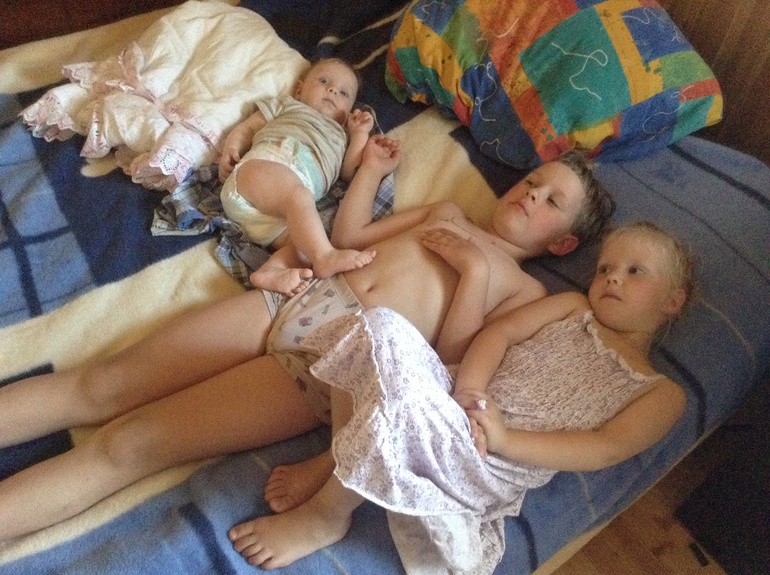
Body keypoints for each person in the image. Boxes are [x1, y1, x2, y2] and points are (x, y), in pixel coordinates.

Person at [0, 135, 613, 545]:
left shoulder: (524, 293)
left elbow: (449, 361)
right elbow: (350, 237)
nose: (531, 194)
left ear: (562, 243)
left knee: (130, 445)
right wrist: (371, 171)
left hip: (329, 365)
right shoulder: (447, 213)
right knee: (100, 384)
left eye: (551, 201)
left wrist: (474, 273)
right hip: (294, 297)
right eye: (533, 181)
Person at [226, 221, 695, 572]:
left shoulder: (659, 392)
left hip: (489, 459)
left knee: (403, 410)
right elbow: (500, 334)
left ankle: (326, 515)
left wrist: (505, 438)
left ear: (673, 301)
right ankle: (340, 457)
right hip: (455, 395)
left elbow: (603, 448)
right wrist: (469, 389)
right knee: (377, 324)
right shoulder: (573, 308)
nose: (612, 278)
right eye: (605, 268)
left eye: (635, 272)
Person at [218, 57, 376, 296]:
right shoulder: (288, 105)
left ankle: (271, 271)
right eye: (324, 81)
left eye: (343, 93)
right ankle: (325, 256)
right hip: (261, 171)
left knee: (304, 246)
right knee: (300, 199)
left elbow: (350, 172)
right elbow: (249, 127)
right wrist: (232, 146)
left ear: (349, 112)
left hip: (275, 215)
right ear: (299, 90)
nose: (333, 91)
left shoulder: (342, 136)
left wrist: (360, 135)